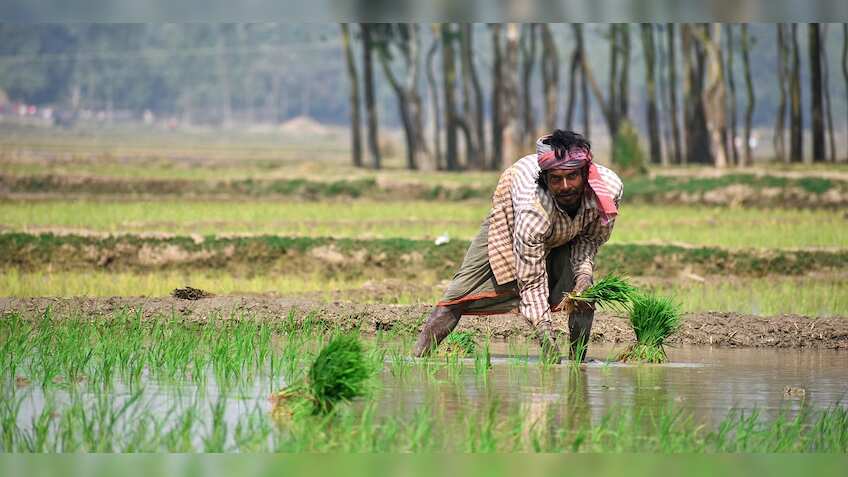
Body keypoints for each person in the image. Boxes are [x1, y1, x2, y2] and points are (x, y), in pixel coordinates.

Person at [413, 130, 623, 363]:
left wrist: (584, 275)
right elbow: (531, 280)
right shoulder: (533, 209)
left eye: (572, 176)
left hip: (567, 230)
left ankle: (578, 363)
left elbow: (589, 239)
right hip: (512, 219)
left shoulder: (608, 191)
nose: (565, 186)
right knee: (459, 294)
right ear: (545, 180)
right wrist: (545, 334)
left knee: (585, 293)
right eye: (556, 179)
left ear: (585, 173)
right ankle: (417, 359)